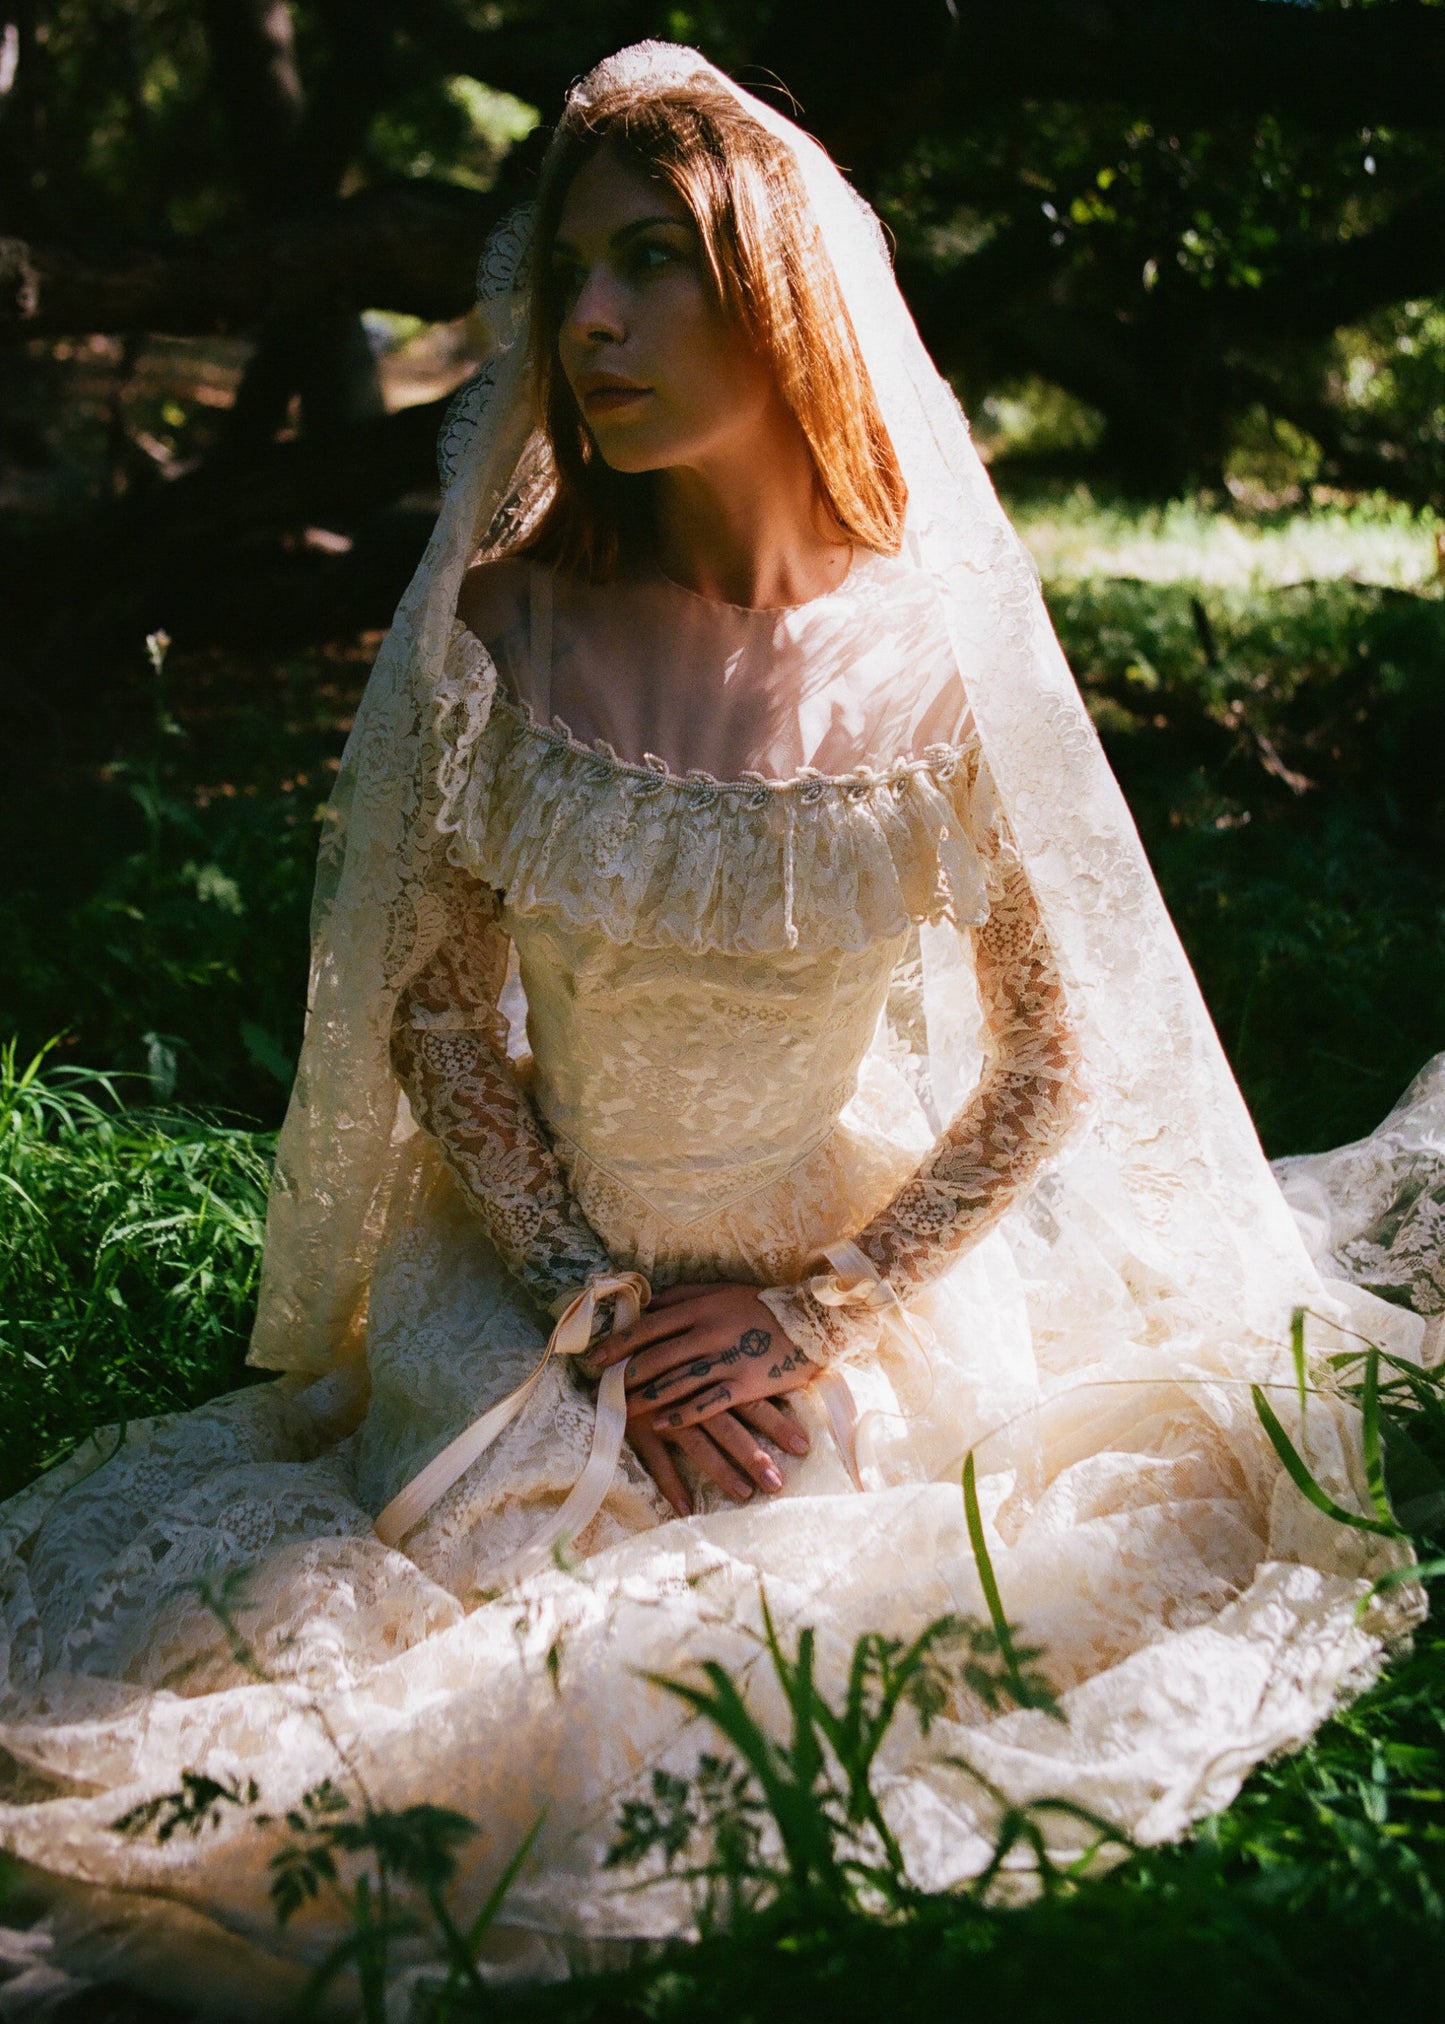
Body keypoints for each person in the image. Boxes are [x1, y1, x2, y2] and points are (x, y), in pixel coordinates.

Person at [0, 41, 1437, 2017]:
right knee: (488, 1609)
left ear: (779, 279)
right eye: (570, 268)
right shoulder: (508, 626)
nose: (586, 317)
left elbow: (1041, 1063)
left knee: (828, 1599)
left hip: (841, 1279)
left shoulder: (935, 664)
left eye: (652, 260)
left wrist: (818, 1307)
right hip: (540, 1274)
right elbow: (438, 1021)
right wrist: (593, 1302)